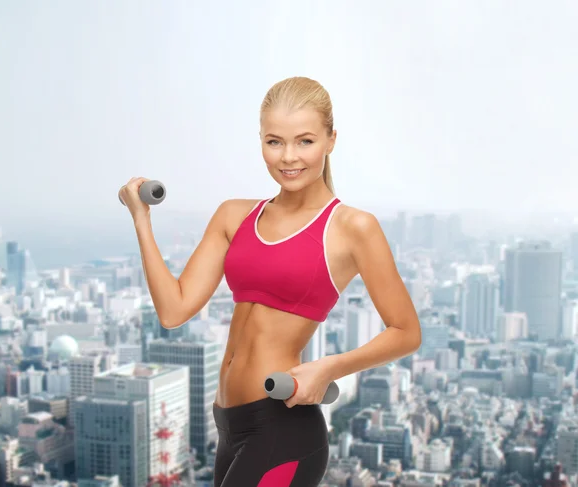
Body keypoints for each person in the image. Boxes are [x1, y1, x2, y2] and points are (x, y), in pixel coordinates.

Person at [119, 76, 421, 487]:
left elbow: (406, 332)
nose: (289, 157)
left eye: (305, 141)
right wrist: (141, 219)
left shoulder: (353, 227)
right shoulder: (233, 215)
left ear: (331, 140)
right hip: (228, 425)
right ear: (260, 140)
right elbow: (174, 310)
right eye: (275, 141)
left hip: (283, 427)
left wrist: (327, 369)